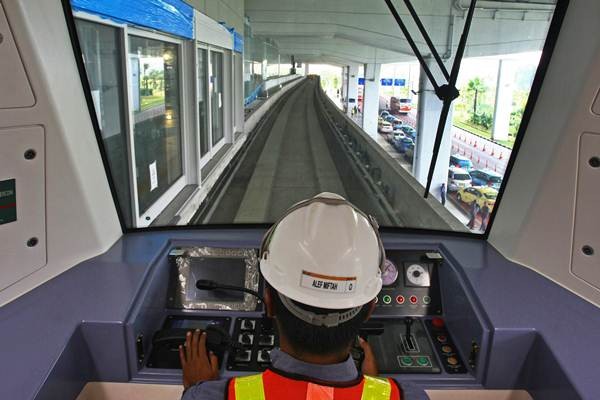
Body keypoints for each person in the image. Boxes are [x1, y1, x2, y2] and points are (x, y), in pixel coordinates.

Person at [179, 193, 403, 400]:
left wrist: (199, 388)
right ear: (370, 311)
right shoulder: (407, 396)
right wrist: (374, 387)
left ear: (269, 303)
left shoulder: (208, 396)